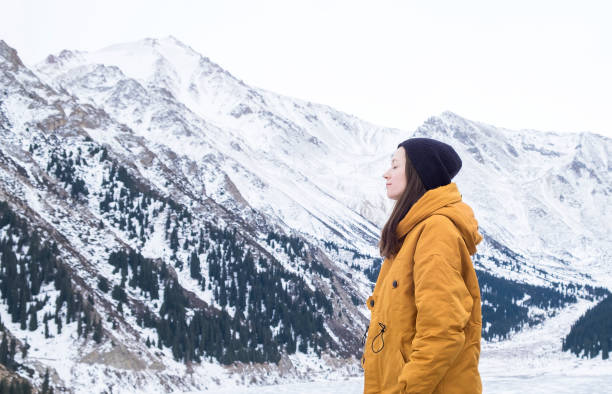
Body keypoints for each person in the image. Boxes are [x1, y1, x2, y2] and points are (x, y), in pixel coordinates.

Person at [361, 138, 483, 394]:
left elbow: (442, 332)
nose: (386, 174)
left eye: (395, 166)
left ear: (418, 173)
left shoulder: (435, 232)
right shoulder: (410, 234)